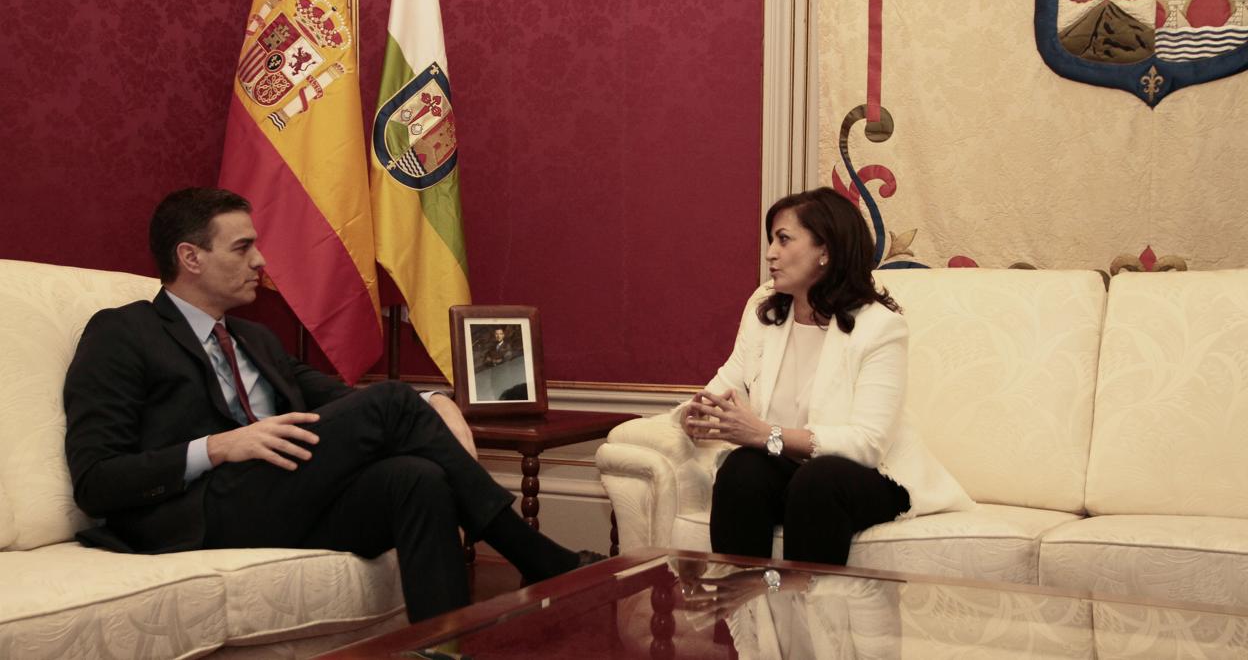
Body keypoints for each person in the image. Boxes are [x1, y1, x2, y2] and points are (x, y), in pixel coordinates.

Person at [63, 187, 602, 623]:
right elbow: (96, 479)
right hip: (202, 511)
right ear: (190, 258)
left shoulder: (256, 340)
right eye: (242, 247)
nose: (261, 260)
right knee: (392, 400)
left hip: (282, 498)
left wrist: (438, 401)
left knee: (417, 477)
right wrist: (217, 447)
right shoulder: (123, 332)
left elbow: (351, 407)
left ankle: (442, 645)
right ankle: (536, 558)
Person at [681, 187, 970, 565]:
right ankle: (743, 609)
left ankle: (815, 617)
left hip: (867, 477)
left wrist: (764, 433)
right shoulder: (764, 317)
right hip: (792, 472)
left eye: (784, 239)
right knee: (742, 468)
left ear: (826, 251)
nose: (770, 252)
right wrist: (698, 415)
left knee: (818, 479)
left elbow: (867, 444)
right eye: (771, 239)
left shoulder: (880, 328)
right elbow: (722, 387)